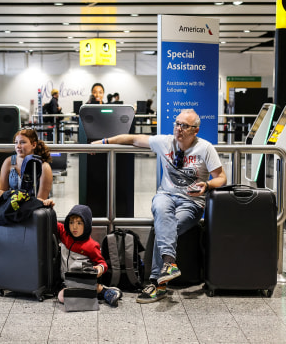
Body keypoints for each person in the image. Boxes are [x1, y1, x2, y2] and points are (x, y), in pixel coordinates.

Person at [92, 109, 227, 304]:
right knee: (162, 209)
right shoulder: (165, 142)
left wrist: (206, 185)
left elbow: (221, 177)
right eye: (177, 123)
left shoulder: (205, 148)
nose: (178, 129)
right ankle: (164, 272)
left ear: (195, 130)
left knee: (164, 227)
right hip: (166, 195)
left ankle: (157, 281)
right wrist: (104, 142)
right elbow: (131, 139)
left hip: (191, 203)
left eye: (184, 126)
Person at [0, 128, 54, 279]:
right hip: (11, 206)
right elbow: (0, 190)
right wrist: (5, 204)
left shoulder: (43, 167)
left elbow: (40, 199)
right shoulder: (9, 162)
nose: (18, 146)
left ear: (34, 144)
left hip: (30, 209)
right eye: (16, 143)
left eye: (23, 142)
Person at [57, 204, 122, 307]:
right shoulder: (65, 235)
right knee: (63, 296)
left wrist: (99, 269)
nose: (74, 227)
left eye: (79, 223)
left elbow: (102, 263)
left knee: (63, 297)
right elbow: (52, 222)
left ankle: (104, 291)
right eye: (71, 222)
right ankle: (94, 293)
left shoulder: (91, 245)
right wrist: (48, 206)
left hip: (83, 280)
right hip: (67, 280)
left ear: (86, 225)